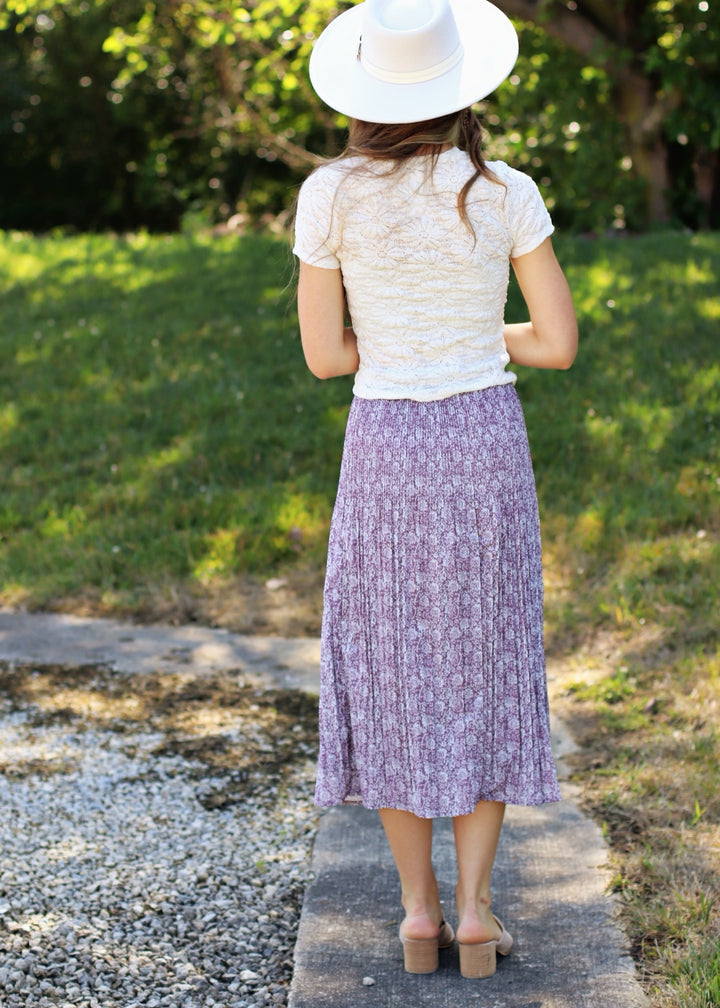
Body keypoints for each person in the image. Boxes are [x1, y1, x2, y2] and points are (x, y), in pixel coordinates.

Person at [292, 0, 578, 981]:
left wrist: (412, 341)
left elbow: (326, 357)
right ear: (464, 85)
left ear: (366, 88)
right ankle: (480, 912)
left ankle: (418, 916)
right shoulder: (505, 192)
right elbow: (556, 342)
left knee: (393, 669)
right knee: (485, 662)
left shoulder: (330, 195)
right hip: (483, 444)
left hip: (386, 452)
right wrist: (472, 335)